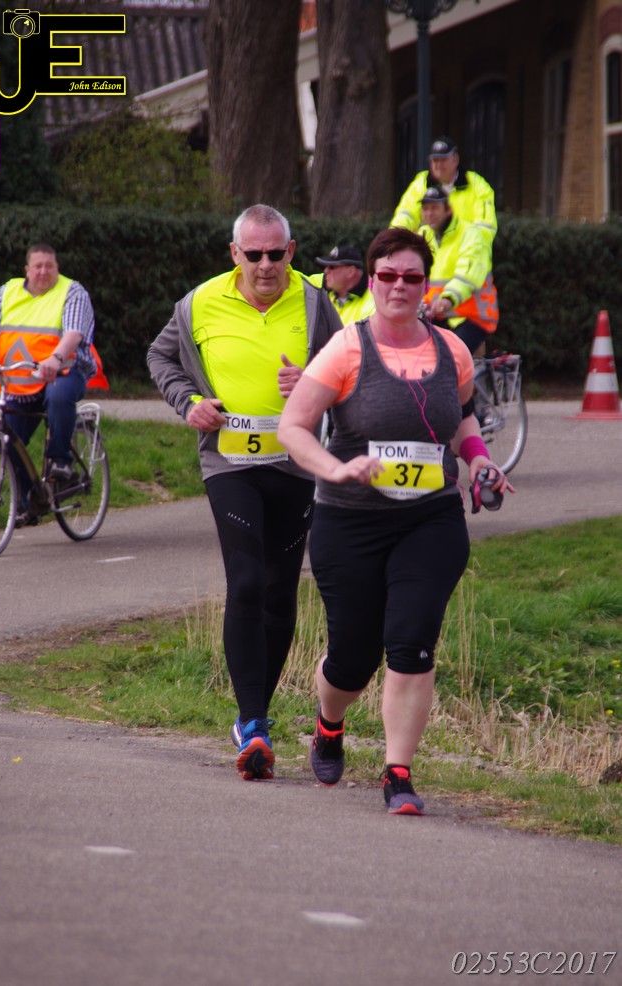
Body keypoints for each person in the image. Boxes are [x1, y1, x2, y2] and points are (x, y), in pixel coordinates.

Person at [278, 226, 513, 815]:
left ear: (425, 283)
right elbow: (293, 427)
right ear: (373, 280)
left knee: (411, 642)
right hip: (350, 522)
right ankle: (329, 722)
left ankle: (398, 773)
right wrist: (335, 469)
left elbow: (463, 420)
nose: (399, 286)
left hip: (430, 520)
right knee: (353, 657)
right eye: (388, 275)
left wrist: (480, 462)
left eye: (412, 277)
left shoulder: (452, 351)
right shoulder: (347, 349)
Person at [147, 204, 342, 781]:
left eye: (275, 254)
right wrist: (188, 401)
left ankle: (256, 714)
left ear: (291, 251)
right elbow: (160, 356)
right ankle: (253, 723)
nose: (264, 265)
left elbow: (351, 368)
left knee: (281, 592)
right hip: (229, 462)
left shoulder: (314, 302)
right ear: (235, 254)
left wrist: (314, 383)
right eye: (252, 254)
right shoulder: (198, 303)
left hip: (294, 464)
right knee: (248, 581)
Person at [0, 243, 97, 526]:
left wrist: (56, 358)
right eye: (37, 266)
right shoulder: (9, 291)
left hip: (65, 370)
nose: (43, 272)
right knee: (8, 439)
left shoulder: (72, 292)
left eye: (49, 266)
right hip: (20, 381)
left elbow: (73, 333)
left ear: (57, 268)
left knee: (58, 396)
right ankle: (31, 500)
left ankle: (60, 461)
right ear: (27, 269)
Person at [419, 187, 499, 354]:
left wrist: (448, 299)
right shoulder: (423, 235)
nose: (429, 213)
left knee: (451, 358)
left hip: (473, 316)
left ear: (448, 209)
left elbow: (468, 275)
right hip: (438, 314)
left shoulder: (471, 234)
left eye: (434, 208)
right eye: (425, 209)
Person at [391, 136, 497, 254]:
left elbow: (485, 227)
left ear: (455, 160)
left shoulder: (477, 185)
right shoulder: (421, 183)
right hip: (430, 254)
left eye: (443, 160)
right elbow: (406, 214)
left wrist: (469, 248)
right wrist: (394, 240)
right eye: (435, 160)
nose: (439, 165)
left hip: (467, 254)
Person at [308, 245, 374, 325]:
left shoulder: (373, 301)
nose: (326, 271)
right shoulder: (327, 298)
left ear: (350, 272)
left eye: (332, 267)